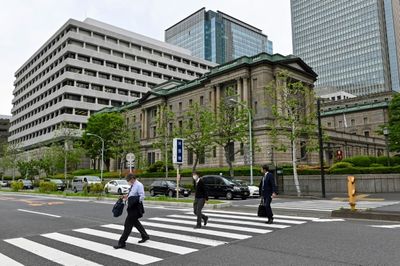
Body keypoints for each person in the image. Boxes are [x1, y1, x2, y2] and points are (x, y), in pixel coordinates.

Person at [114, 173, 149, 249]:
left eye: (128, 180)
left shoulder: (139, 185)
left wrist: (132, 200)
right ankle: (145, 236)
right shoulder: (133, 185)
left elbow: (142, 196)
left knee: (127, 225)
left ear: (132, 179)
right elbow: (132, 194)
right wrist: (126, 196)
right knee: (136, 223)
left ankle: (121, 242)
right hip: (131, 207)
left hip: (135, 208)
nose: (128, 182)